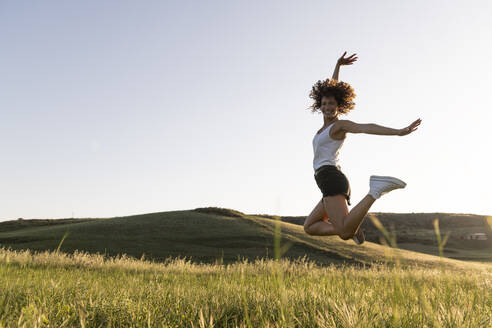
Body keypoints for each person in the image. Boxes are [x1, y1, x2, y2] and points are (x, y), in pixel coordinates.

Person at [303, 51, 422, 245]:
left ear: (338, 106)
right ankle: (352, 228)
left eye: (332, 103)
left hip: (331, 177)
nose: (327, 106)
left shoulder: (338, 126)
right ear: (320, 105)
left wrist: (399, 132)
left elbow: (366, 127)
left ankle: (375, 191)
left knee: (343, 233)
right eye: (324, 103)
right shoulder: (323, 128)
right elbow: (332, 87)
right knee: (310, 226)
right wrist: (338, 66)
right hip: (325, 180)